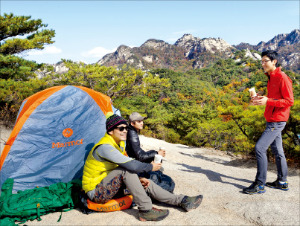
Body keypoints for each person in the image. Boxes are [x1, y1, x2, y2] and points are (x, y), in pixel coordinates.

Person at [82, 113, 203, 221]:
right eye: (121, 128)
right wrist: (151, 167)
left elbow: (114, 173)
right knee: (126, 170)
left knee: (145, 183)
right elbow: (131, 165)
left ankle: (182, 201)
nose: (125, 131)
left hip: (107, 186)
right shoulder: (105, 147)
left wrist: (137, 180)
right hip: (96, 192)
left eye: (126, 128)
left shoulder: (116, 145)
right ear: (110, 131)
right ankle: (146, 210)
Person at [243, 50, 294, 195]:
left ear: (274, 62)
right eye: (262, 61)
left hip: (277, 120)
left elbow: (289, 101)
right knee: (278, 151)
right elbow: (274, 98)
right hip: (272, 118)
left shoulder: (282, 77)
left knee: (259, 148)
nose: (263, 64)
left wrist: (268, 101)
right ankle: (282, 182)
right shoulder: (271, 77)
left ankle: (260, 184)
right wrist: (261, 99)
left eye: (265, 61)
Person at [126, 112, 175, 192]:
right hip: (134, 165)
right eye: (139, 121)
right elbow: (140, 156)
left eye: (142, 121)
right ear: (132, 123)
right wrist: (156, 153)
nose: (142, 123)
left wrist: (155, 154)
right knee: (165, 182)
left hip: (134, 163)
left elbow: (137, 152)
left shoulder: (131, 131)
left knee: (160, 175)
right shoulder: (132, 134)